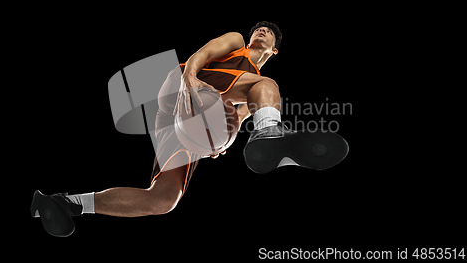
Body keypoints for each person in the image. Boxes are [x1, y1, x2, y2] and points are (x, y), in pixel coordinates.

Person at [31, 21, 292, 236]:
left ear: (274, 50)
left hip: (184, 123)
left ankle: (67, 203)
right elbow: (204, 53)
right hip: (184, 85)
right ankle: (270, 129)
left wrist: (217, 145)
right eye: (258, 28)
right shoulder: (237, 43)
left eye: (268, 32)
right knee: (267, 87)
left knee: (163, 200)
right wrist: (189, 75)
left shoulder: (254, 96)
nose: (261, 31)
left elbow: (231, 123)